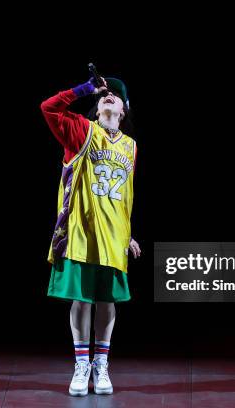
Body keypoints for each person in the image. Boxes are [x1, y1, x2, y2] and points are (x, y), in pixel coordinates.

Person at [40, 74, 141, 396]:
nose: (109, 97)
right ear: (97, 110)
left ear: (124, 110)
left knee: (107, 301)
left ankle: (102, 364)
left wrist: (128, 235)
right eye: (104, 96)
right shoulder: (83, 131)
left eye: (115, 96)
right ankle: (81, 365)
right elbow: (49, 107)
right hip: (81, 232)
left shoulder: (131, 147)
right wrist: (84, 89)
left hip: (113, 235)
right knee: (81, 301)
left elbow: (126, 196)